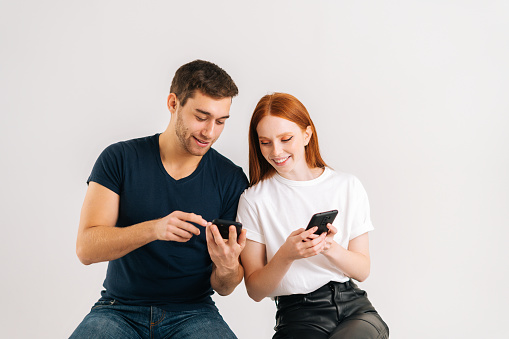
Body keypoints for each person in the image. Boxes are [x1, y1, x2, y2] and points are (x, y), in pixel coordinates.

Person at [71, 60, 249, 339]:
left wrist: (227, 266)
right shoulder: (119, 159)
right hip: (118, 310)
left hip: (194, 312)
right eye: (201, 117)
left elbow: (225, 286)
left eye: (220, 121)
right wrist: (154, 229)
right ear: (173, 103)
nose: (210, 132)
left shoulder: (231, 179)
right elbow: (86, 248)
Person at [237, 93, 389, 339]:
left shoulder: (347, 186)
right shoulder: (254, 200)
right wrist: (286, 255)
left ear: (307, 134)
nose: (276, 151)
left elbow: (362, 270)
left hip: (355, 309)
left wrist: (328, 247)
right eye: (265, 142)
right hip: (298, 315)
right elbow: (254, 290)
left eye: (286, 139)